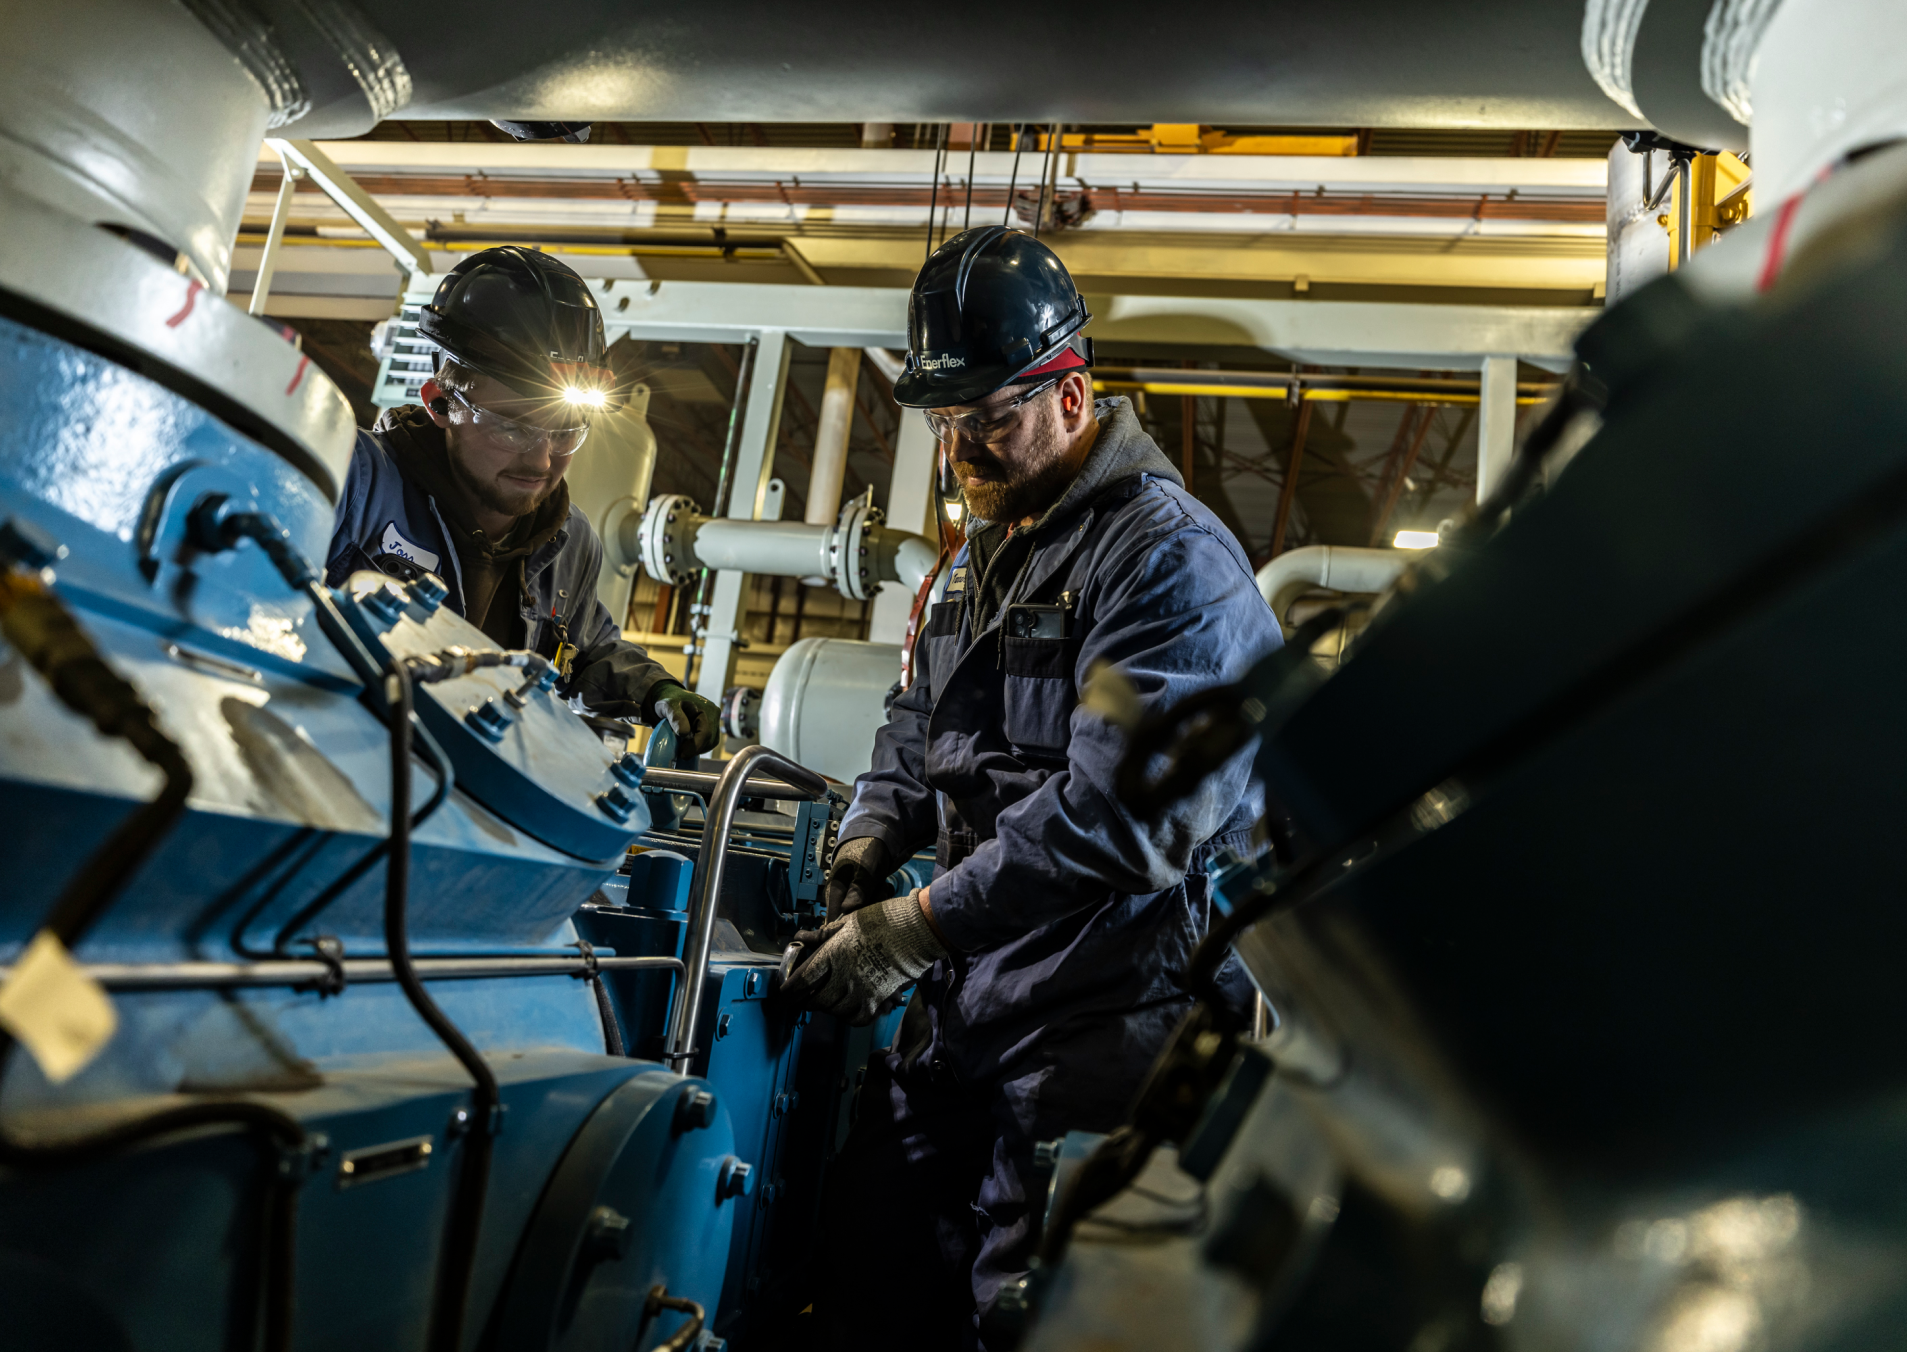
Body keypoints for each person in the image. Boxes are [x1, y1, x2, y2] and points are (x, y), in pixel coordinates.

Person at [780, 226, 1282, 1349]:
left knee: (1035, 1322)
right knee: (870, 1276)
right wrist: (869, 837)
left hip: (1110, 1030)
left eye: (988, 418)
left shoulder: (1168, 563)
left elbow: (1124, 819)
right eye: (942, 420)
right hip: (966, 1016)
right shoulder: (976, 560)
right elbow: (916, 723)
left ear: (1072, 390)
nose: (959, 450)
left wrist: (911, 923)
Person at [324, 246, 719, 754]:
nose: (541, 461)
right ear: (441, 403)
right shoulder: (355, 480)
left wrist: (654, 690)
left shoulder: (568, 542)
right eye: (513, 427)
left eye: (566, 432)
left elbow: (584, 654)